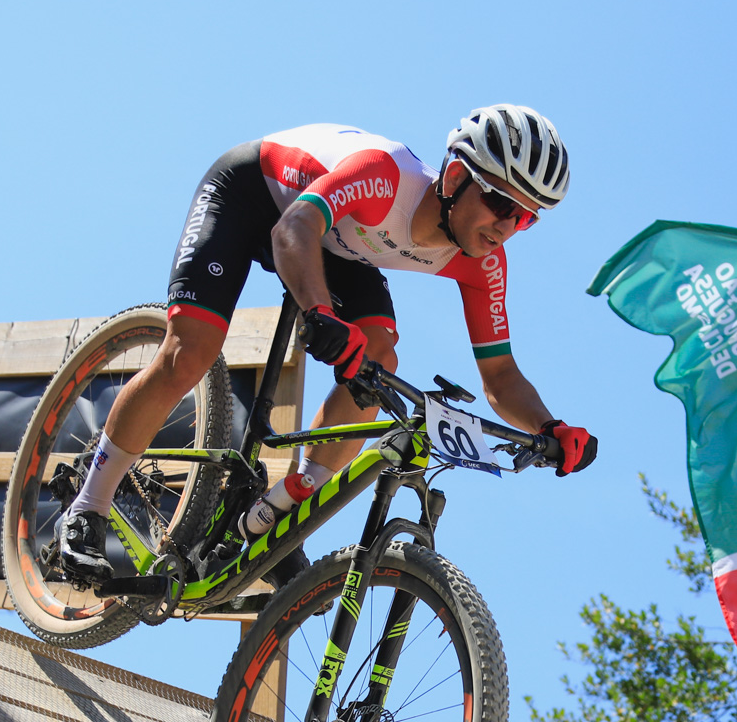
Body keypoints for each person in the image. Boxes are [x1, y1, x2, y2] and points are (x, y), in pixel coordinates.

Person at [57, 104, 598, 584]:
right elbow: (292, 231)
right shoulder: (385, 175)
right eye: (501, 203)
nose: (508, 226)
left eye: (527, 217)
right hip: (255, 196)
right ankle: (88, 504)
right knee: (190, 354)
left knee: (377, 362)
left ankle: (277, 510)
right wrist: (319, 314)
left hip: (339, 241)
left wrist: (549, 427)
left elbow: (500, 376)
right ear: (456, 177)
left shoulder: (484, 262)